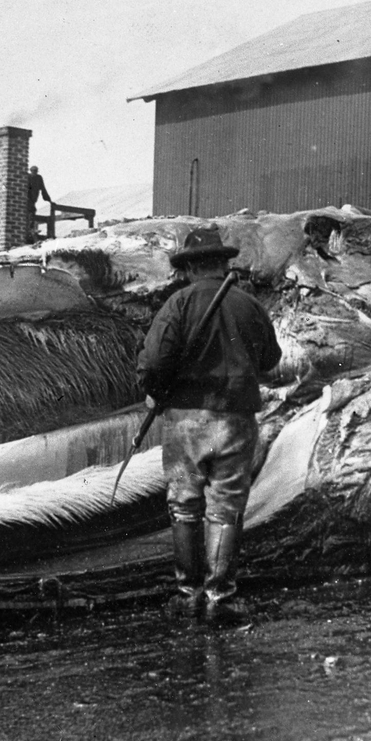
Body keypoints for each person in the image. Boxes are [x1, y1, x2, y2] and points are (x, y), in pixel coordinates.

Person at [137, 227, 282, 621]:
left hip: (186, 421)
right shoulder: (250, 306)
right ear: (222, 264)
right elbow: (271, 361)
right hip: (236, 419)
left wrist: (155, 391)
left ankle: (188, 594)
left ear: (188, 268)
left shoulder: (177, 305)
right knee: (226, 507)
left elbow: (153, 364)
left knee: (184, 505)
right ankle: (221, 597)